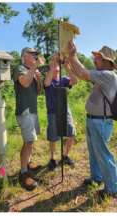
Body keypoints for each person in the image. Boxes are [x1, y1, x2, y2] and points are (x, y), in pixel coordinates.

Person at [66, 42, 117, 198]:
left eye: (98, 58)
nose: (94, 60)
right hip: (94, 120)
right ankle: (97, 178)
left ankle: (112, 188)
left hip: (100, 122)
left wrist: (72, 55)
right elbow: (81, 73)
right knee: (95, 153)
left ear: (108, 62)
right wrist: (70, 62)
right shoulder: (102, 75)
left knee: (103, 154)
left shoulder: (108, 75)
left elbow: (82, 73)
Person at [14, 47, 43, 191]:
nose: (36, 56)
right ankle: (23, 173)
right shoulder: (19, 68)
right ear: (24, 55)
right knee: (29, 140)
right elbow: (24, 83)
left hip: (33, 110)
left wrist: (38, 78)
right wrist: (33, 69)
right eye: (33, 54)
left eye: (37, 55)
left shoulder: (32, 70)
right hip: (24, 110)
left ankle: (28, 164)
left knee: (29, 140)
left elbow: (38, 91)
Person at [44, 54, 77, 170]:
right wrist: (52, 65)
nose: (56, 64)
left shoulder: (63, 79)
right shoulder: (48, 78)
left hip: (65, 110)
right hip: (53, 111)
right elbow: (46, 84)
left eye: (58, 63)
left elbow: (75, 81)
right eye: (54, 62)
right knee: (53, 136)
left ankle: (65, 156)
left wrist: (67, 66)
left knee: (71, 132)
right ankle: (52, 159)